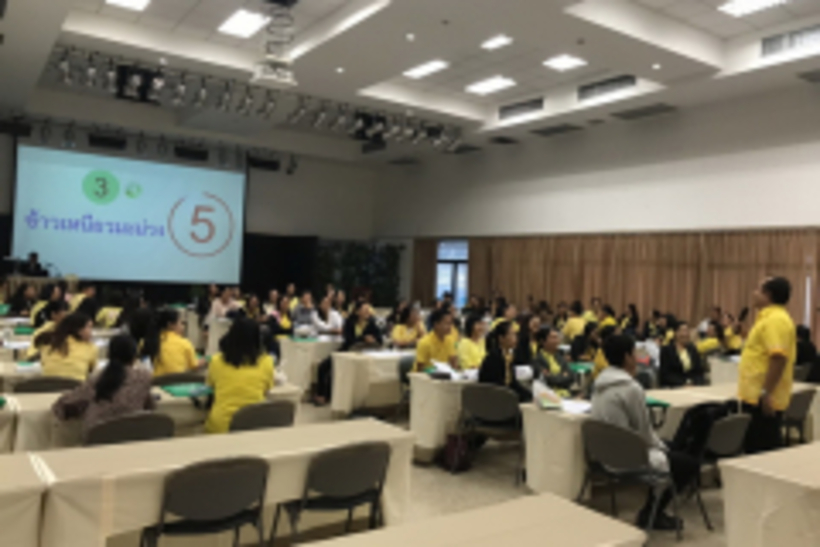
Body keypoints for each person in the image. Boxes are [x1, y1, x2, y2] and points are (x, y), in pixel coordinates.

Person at [591, 334, 700, 530]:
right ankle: (652, 513)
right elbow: (645, 433)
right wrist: (663, 448)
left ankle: (654, 508)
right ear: (627, 357)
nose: (637, 357)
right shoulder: (630, 388)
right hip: (627, 457)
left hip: (604, 453)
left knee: (673, 448)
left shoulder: (599, 383)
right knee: (688, 463)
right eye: (634, 353)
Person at [52, 334, 155, 435]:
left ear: (108, 355)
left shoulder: (98, 378)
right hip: (131, 435)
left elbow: (62, 406)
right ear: (134, 357)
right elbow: (150, 406)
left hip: (98, 436)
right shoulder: (144, 377)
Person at [738, 277, 796, 454]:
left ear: (768, 295)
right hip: (755, 396)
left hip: (763, 398)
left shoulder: (775, 320)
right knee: (755, 447)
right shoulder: (767, 318)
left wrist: (766, 393)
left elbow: (778, 358)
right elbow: (762, 350)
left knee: (762, 451)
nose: (754, 293)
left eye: (758, 290)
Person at [205, 318, 275, 434]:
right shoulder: (267, 362)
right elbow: (266, 391)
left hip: (220, 427)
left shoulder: (216, 361)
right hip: (254, 426)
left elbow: (212, 386)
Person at [314, 302, 383, 404]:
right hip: (346, 350)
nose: (367, 312)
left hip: (362, 353)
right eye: (365, 310)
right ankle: (321, 394)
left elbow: (380, 340)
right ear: (358, 311)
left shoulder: (372, 323)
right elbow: (349, 339)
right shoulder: (349, 322)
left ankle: (328, 396)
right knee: (323, 366)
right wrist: (363, 339)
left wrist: (373, 340)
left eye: (368, 310)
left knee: (336, 372)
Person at [479, 320, 531, 402]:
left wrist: (528, 394)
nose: (515, 338)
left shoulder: (509, 356)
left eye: (515, 334)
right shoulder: (494, 357)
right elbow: (496, 385)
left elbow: (512, 382)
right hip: (492, 398)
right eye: (512, 335)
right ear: (501, 338)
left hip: (505, 394)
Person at [143, 308, 202, 377]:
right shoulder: (184, 343)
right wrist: (207, 360)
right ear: (170, 325)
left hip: (155, 382)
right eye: (181, 323)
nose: (183, 327)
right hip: (178, 381)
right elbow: (195, 366)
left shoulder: (147, 341)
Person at [41, 313, 98, 381]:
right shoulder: (89, 347)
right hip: (76, 385)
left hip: (49, 386)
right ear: (79, 330)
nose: (92, 332)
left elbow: (44, 364)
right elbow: (91, 370)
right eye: (89, 327)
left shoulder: (49, 343)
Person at [659, 322, 705, 388]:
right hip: (674, 387)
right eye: (683, 331)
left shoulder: (692, 349)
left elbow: (699, 371)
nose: (685, 334)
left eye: (687, 331)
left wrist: (694, 383)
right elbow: (666, 374)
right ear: (676, 333)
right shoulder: (667, 350)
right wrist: (683, 384)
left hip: (693, 386)